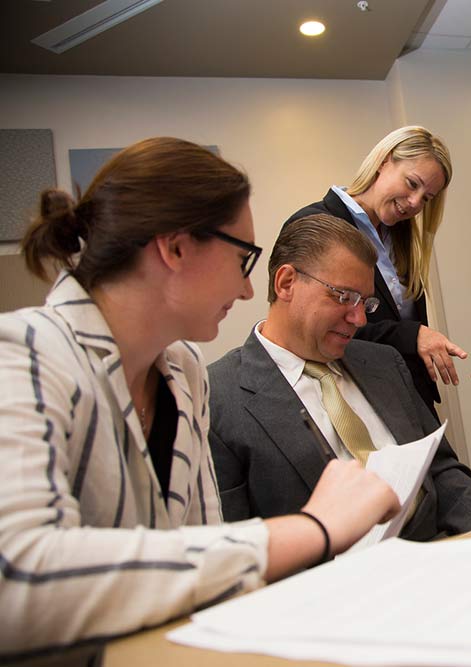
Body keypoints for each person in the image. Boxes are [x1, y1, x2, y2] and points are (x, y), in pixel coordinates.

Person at [0, 138, 401, 659]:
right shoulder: (24, 352)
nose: (243, 290)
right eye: (243, 258)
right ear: (176, 247)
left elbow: (205, 562)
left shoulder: (183, 371)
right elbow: (19, 575)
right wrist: (312, 529)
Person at [208, 213, 471, 539]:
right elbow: (237, 545)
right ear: (286, 282)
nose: (359, 318)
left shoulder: (383, 364)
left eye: (366, 302)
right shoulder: (219, 398)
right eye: (344, 297)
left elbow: (443, 471)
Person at [284, 126, 461, 413]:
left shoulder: (400, 239)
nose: (416, 203)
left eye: (427, 198)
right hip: (350, 398)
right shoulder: (315, 223)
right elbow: (308, 326)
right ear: (384, 161)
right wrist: (411, 335)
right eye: (412, 183)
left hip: (407, 397)